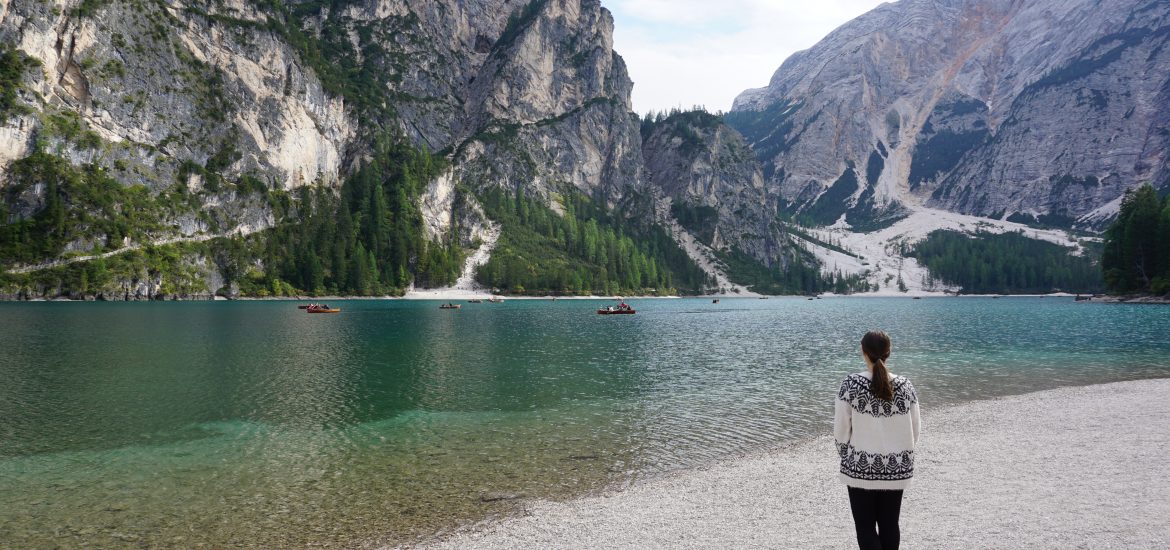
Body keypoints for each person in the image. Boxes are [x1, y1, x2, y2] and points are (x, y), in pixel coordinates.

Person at [834, 330, 921, 550]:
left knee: (865, 527)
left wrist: (847, 456)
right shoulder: (906, 386)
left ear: (863, 351)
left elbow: (841, 430)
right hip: (896, 468)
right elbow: (915, 430)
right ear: (889, 352)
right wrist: (899, 456)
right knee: (890, 525)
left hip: (860, 468)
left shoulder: (850, 384)